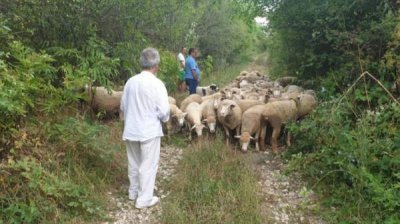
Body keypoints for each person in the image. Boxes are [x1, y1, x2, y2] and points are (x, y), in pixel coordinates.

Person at [120, 47, 170, 209]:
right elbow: (164, 112)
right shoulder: (157, 84)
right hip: (149, 130)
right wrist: (163, 119)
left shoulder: (130, 82)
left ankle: (133, 192)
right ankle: (144, 199)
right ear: (156, 65)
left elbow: (123, 106)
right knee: (148, 165)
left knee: (134, 162)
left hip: (131, 129)